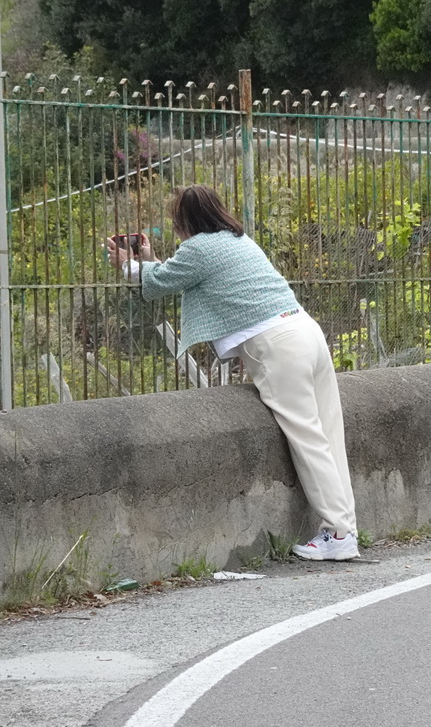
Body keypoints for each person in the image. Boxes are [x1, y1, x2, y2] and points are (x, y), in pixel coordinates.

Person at [105, 184, 359, 561]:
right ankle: (346, 527)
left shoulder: (198, 249)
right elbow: (173, 272)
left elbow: (157, 284)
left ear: (184, 221)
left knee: (307, 439)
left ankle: (338, 534)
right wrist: (151, 259)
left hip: (279, 346)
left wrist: (127, 263)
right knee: (328, 432)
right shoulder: (239, 240)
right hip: (306, 330)